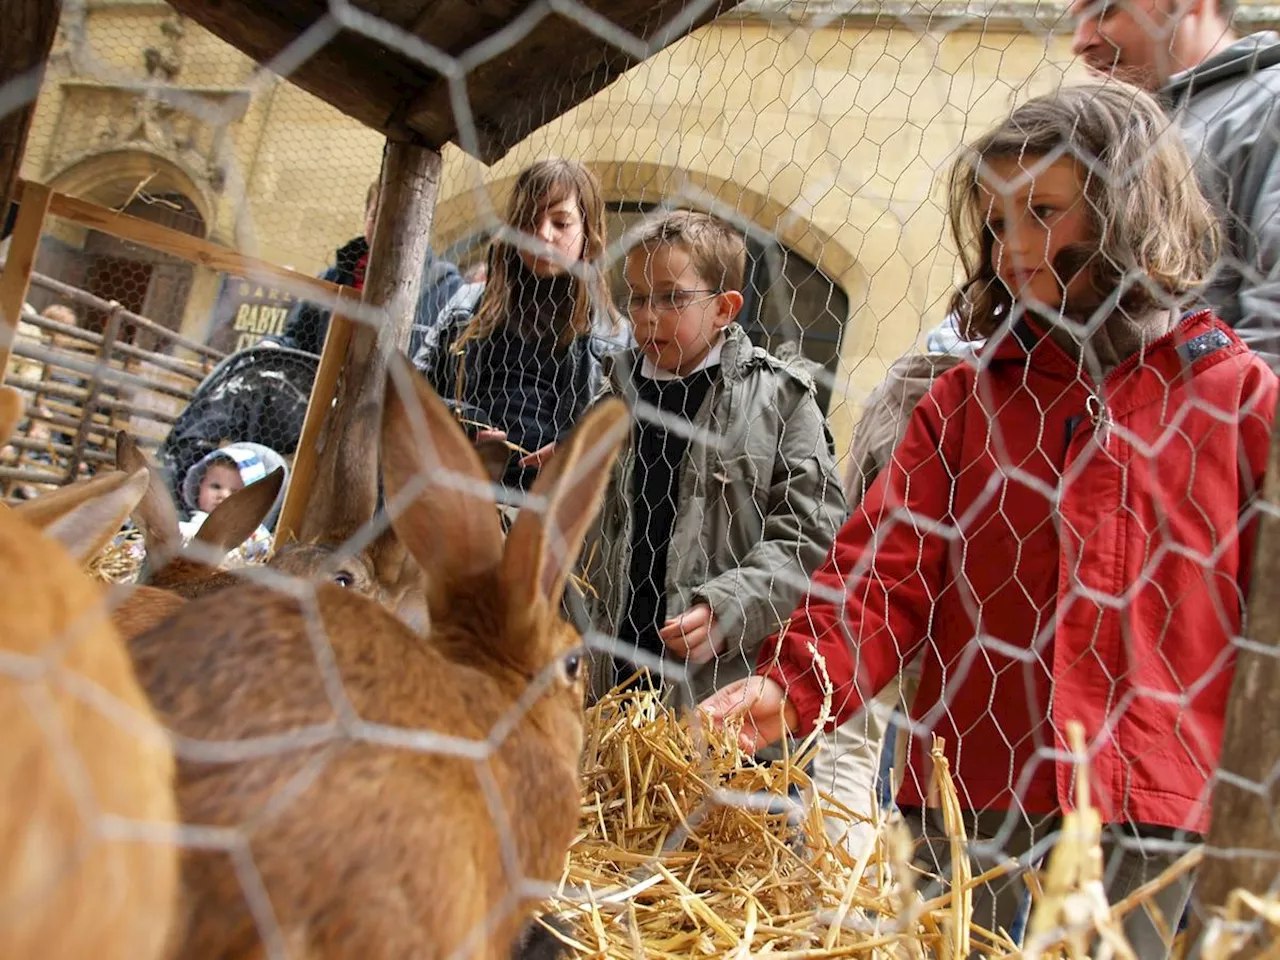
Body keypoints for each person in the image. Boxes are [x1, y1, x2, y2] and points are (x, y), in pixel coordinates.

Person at [701, 84, 1278, 956]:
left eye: (1041, 213)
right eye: (997, 223)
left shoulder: (1236, 402)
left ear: (1129, 212)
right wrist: (795, 681)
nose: (1012, 251)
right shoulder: (964, 406)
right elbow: (884, 570)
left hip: (1154, 815)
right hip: (973, 800)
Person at [582, 209, 846, 722]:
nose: (647, 314)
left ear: (725, 309)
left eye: (672, 297)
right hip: (608, 683)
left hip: (716, 692)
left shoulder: (780, 400)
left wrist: (730, 607)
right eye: (637, 296)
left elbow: (815, 530)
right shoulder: (613, 395)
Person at [1071, 0, 1280, 366]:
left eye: (1106, 10)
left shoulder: (1268, 102)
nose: (1080, 41)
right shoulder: (1100, 132)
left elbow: (1272, 331)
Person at [413, 158, 621, 490]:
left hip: (550, 501)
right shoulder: (468, 304)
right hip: (459, 487)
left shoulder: (611, 334)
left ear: (589, 232)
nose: (542, 235)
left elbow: (623, 430)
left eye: (561, 223)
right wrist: (459, 421)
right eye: (528, 221)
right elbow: (413, 391)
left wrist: (574, 447)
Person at [268, 181, 379, 356]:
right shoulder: (333, 277)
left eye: (393, 218)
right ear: (365, 218)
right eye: (375, 216)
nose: (383, 226)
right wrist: (272, 347)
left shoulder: (434, 287)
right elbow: (298, 340)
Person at [179, 443, 288, 562]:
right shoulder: (190, 521)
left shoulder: (255, 534)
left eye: (235, 492)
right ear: (198, 486)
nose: (223, 495)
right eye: (215, 486)